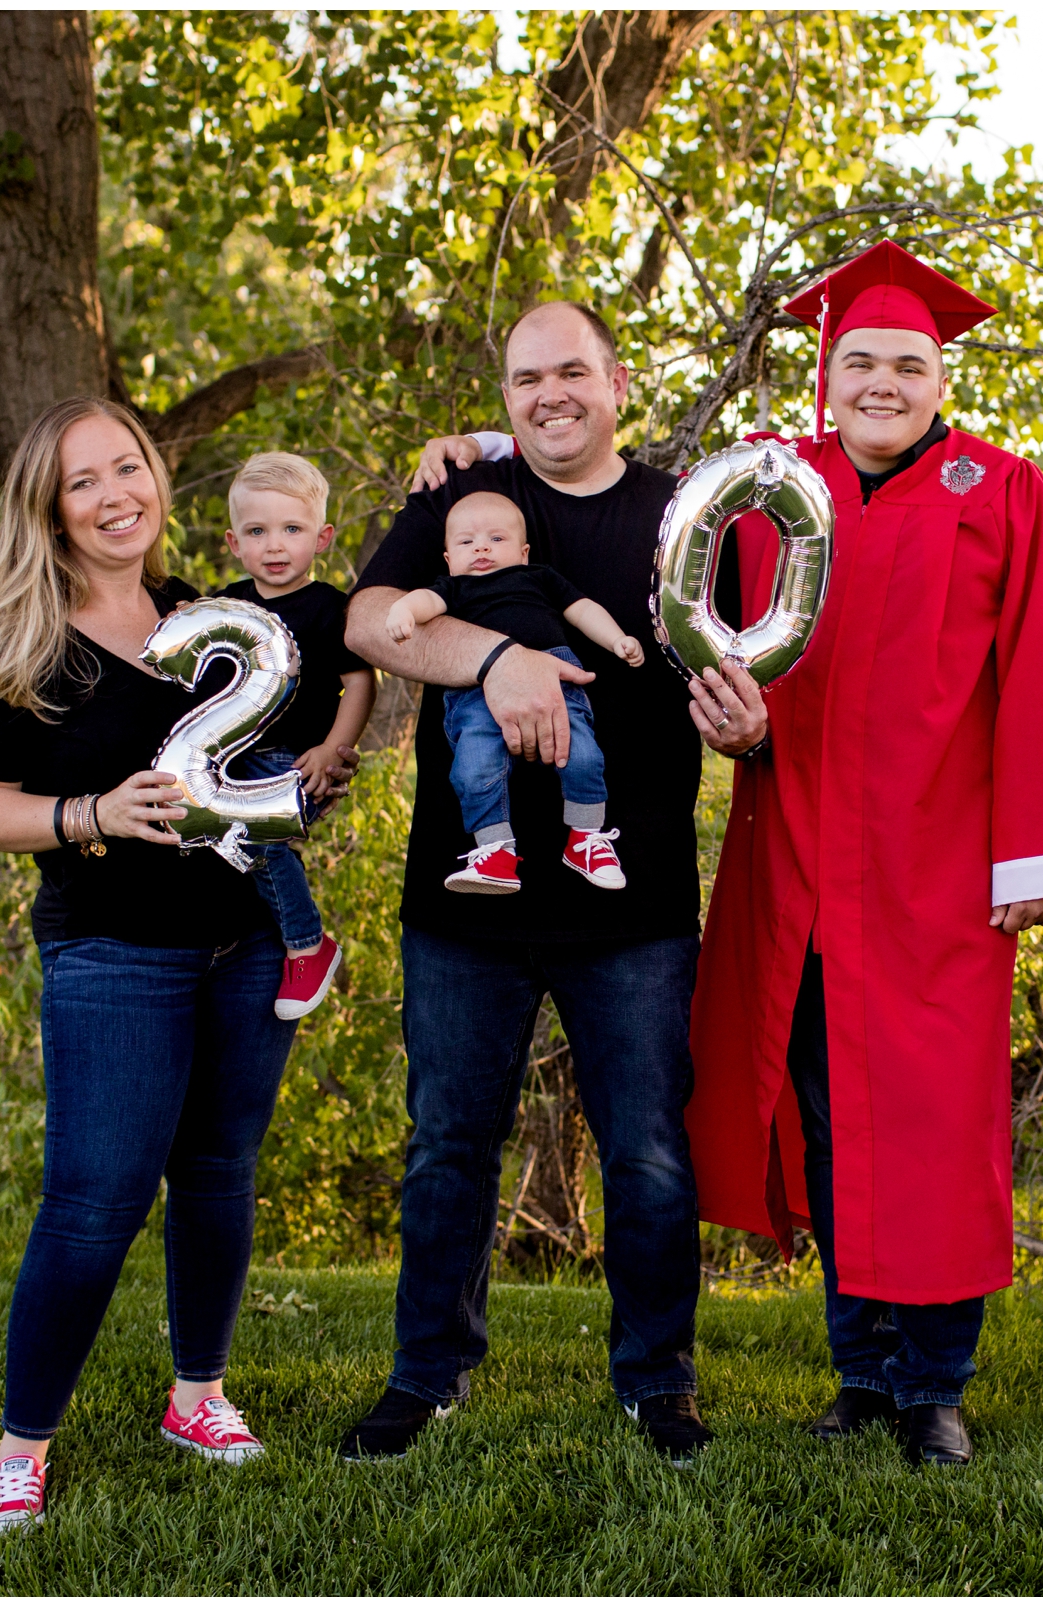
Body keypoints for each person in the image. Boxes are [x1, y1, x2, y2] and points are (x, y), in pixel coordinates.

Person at [684, 242, 1043, 1467]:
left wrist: (1036, 861)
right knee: (832, 1122)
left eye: (907, 362)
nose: (882, 380)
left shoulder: (1002, 493)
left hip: (942, 872)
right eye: (859, 360)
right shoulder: (773, 497)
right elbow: (734, 661)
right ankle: (863, 1372)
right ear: (826, 372)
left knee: (936, 1129)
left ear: (940, 375)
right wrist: (732, 722)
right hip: (802, 862)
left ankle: (936, 1380)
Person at [336, 301, 755, 1466]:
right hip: (467, 898)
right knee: (447, 1143)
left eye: (573, 371)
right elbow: (371, 622)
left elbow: (740, 665)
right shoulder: (462, 498)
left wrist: (745, 725)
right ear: (505, 394)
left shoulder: (684, 515)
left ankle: (657, 1378)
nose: (551, 394)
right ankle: (429, 1372)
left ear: (618, 382)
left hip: (636, 898)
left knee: (648, 1150)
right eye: (527, 378)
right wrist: (496, 655)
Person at [0, 398, 353, 1536]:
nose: (117, 492)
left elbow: (299, 707)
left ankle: (198, 1396)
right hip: (113, 950)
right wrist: (92, 811)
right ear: (51, 507)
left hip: (245, 943)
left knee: (219, 1169)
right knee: (94, 1203)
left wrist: (304, 781)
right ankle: (21, 1453)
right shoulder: (21, 640)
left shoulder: (208, 616)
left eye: (130, 467)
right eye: (86, 481)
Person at [384, 488, 648, 894]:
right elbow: (424, 600)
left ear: (523, 552)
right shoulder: (453, 589)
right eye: (467, 542)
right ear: (449, 560)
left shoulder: (537, 576)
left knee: (582, 755)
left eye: (497, 538)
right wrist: (402, 611)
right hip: (474, 689)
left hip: (555, 675)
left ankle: (584, 838)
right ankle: (496, 853)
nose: (482, 548)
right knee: (473, 769)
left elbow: (582, 609)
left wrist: (617, 640)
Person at [217, 450, 376, 1019]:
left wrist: (335, 748)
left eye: (292, 529)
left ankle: (307, 943)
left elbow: (360, 683)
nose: (275, 546)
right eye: (257, 532)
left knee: (257, 835)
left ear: (323, 537)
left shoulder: (330, 609)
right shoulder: (229, 604)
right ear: (234, 543)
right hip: (230, 757)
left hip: (291, 757)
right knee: (229, 839)